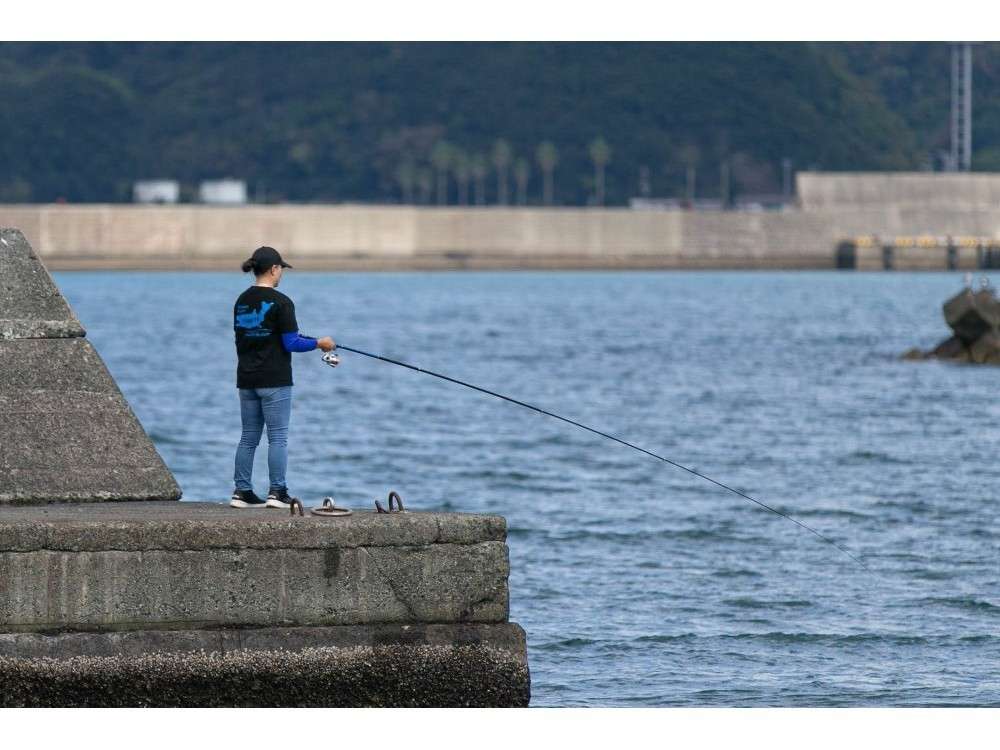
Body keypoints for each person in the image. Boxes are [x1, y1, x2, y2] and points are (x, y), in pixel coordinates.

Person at [230, 246, 335, 509]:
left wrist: (311, 341)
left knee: (248, 437)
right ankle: (277, 491)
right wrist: (320, 343)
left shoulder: (242, 301)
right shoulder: (282, 302)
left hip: (246, 379)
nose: (281, 274)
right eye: (281, 269)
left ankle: (241, 492)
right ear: (274, 269)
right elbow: (291, 343)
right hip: (275, 380)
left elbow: (268, 337)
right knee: (277, 437)